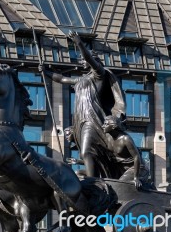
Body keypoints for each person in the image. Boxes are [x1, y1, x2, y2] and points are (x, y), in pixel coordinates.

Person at [39, 31, 125, 178]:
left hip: (93, 119)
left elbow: (88, 58)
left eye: (84, 59)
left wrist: (78, 42)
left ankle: (94, 185)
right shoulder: (81, 80)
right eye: (81, 60)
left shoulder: (99, 74)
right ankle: (96, 178)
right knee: (88, 152)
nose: (82, 61)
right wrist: (46, 72)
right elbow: (62, 79)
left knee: (87, 151)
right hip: (81, 120)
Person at [102, 115, 153, 190]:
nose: (103, 126)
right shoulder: (108, 138)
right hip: (123, 169)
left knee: (119, 186)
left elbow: (136, 157)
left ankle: (148, 187)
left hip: (138, 168)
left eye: (106, 124)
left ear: (113, 126)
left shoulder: (125, 139)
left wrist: (136, 177)